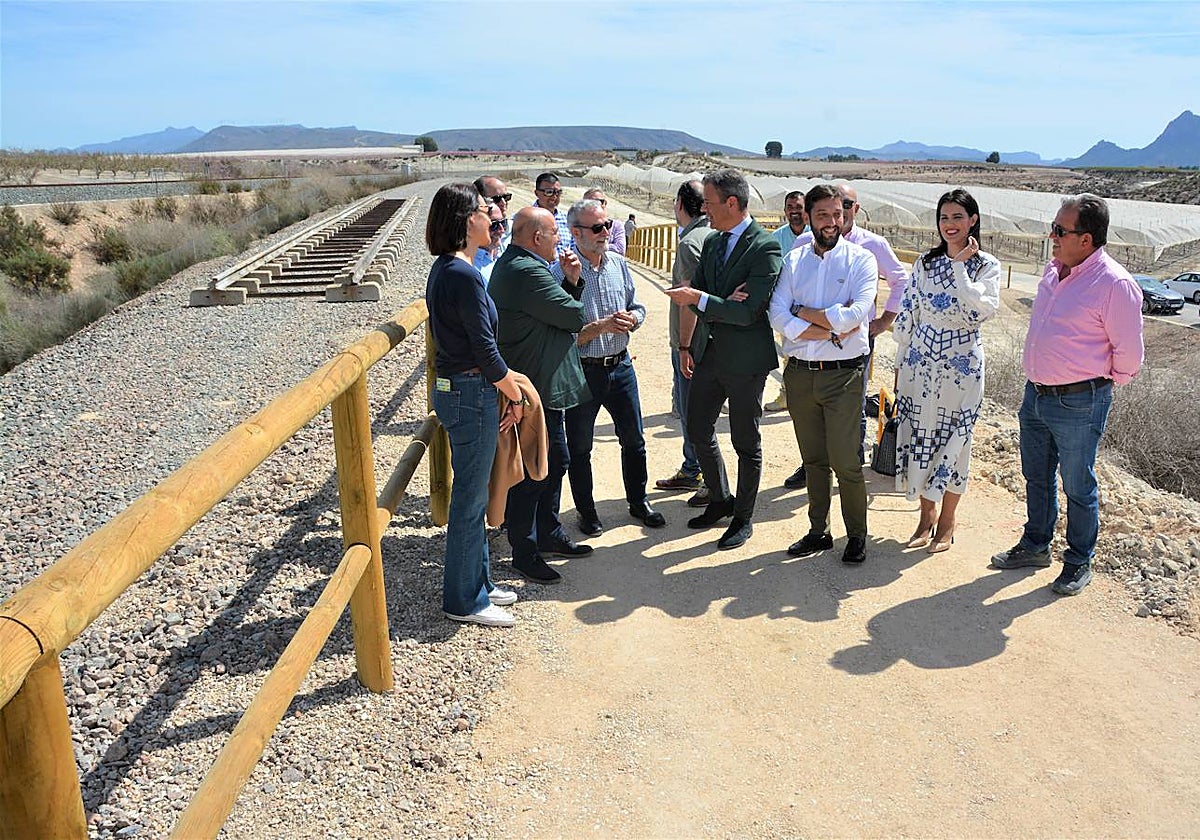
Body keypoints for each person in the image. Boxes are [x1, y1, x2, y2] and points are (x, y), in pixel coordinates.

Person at [991, 193, 1143, 596]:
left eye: (1060, 230)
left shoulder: (1114, 284)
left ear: (1086, 239)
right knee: (1036, 476)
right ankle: (1036, 545)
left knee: (1077, 485)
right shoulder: (1053, 270)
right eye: (1053, 227)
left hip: (1079, 401)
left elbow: (1129, 353)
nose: (1052, 236)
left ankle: (1078, 561)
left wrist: (1099, 385)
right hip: (1036, 395)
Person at [424, 183, 527, 627]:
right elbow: (484, 348)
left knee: (474, 495)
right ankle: (464, 600)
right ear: (469, 221)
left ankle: (478, 583)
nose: (495, 219)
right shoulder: (462, 275)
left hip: (460, 390)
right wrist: (515, 393)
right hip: (470, 392)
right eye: (488, 212)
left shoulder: (447, 269)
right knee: (470, 501)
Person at [664, 169, 782, 551]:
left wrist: (704, 301)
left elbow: (746, 313)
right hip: (709, 354)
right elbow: (704, 294)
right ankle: (719, 499)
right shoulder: (714, 242)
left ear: (732, 203)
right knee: (697, 428)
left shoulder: (765, 247)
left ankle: (743, 518)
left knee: (746, 442)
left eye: (710, 203)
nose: (705, 210)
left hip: (746, 362)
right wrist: (711, 310)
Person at [769, 184, 876, 565]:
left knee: (846, 462)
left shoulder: (861, 260)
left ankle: (857, 535)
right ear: (809, 217)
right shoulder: (794, 260)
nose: (832, 222)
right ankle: (819, 531)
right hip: (799, 375)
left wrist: (803, 313)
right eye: (823, 215)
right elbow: (777, 313)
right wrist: (826, 328)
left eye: (837, 214)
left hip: (843, 377)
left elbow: (855, 315)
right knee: (813, 460)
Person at [893, 189, 1001, 554]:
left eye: (957, 217)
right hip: (920, 364)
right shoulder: (925, 263)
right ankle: (926, 516)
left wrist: (958, 266)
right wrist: (900, 361)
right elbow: (909, 310)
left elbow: (980, 310)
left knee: (956, 440)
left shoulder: (986, 266)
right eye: (944, 217)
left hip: (962, 367)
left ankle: (948, 521)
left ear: (973, 221)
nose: (949, 224)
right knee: (921, 435)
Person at [489, 206, 592, 584]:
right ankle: (525, 550)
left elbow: (554, 313)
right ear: (536, 238)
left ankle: (547, 534)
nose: (559, 241)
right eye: (554, 234)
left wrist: (570, 283)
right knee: (533, 471)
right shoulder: (526, 271)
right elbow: (573, 317)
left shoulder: (523, 266)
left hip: (539, 386)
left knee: (553, 461)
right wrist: (573, 289)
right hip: (531, 391)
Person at [784, 182, 911, 490]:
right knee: (811, 407)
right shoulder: (805, 242)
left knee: (852, 403)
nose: (839, 212)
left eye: (846, 205)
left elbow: (901, 280)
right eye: (831, 207)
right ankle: (812, 465)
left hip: (853, 340)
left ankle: (849, 465)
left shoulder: (873, 245)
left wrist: (884, 320)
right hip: (809, 339)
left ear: (855, 208)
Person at [556, 198, 664, 536]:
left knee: (634, 440)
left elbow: (637, 305)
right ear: (576, 233)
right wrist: (601, 327)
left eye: (608, 225)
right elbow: (562, 334)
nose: (606, 232)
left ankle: (639, 501)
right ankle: (587, 513)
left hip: (620, 367)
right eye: (597, 228)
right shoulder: (561, 273)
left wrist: (634, 318)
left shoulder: (618, 263)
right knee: (580, 448)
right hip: (583, 372)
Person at [655, 179, 714, 507]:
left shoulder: (690, 243)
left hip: (694, 343)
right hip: (713, 337)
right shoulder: (714, 235)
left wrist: (683, 346)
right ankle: (695, 468)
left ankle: (701, 474)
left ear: (680, 203)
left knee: (692, 412)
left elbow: (688, 300)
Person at [764, 191, 809, 415]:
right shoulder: (777, 238)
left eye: (798, 207)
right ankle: (786, 395)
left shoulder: (816, 235)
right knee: (789, 353)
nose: (794, 212)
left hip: (814, 306)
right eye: (790, 207)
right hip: (788, 308)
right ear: (784, 211)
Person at [532, 172, 574, 259]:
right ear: (537, 193)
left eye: (558, 192)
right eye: (549, 192)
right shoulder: (525, 219)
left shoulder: (568, 219)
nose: (554, 196)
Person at [583, 187, 626, 254]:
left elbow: (620, 249)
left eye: (599, 202)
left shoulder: (616, 226)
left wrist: (595, 246)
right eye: (590, 203)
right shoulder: (579, 225)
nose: (595, 205)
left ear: (605, 204)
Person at [472, 202, 507, 282]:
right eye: (494, 225)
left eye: (503, 222)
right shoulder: (469, 267)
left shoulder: (505, 248)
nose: (501, 230)